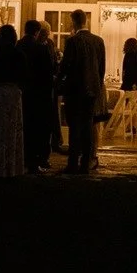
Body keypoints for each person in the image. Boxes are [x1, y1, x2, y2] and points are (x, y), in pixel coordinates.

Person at [58, 9, 107, 174]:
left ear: (73, 22)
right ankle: (86, 162)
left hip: (75, 89)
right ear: (85, 21)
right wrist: (97, 86)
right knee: (87, 126)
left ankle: (73, 163)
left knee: (74, 127)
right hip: (92, 91)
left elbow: (66, 66)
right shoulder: (98, 41)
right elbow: (101, 68)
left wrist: (58, 82)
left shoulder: (73, 41)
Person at [0, 24, 26, 178]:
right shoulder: (19, 55)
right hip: (14, 94)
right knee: (13, 130)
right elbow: (24, 76)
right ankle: (12, 167)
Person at [18, 19, 58, 172]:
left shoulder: (18, 46)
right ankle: (37, 159)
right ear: (37, 32)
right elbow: (48, 73)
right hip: (39, 94)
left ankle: (24, 157)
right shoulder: (40, 49)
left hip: (23, 92)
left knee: (25, 126)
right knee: (39, 127)